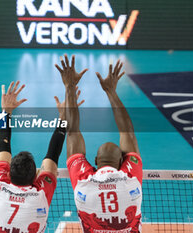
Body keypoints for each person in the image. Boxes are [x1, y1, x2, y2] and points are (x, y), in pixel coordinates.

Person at [56, 55, 142, 233]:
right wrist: (111, 91)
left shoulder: (83, 181)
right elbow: (128, 132)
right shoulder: (130, 178)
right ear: (121, 162)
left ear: (95, 160)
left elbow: (72, 132)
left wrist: (70, 86)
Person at [0, 81, 83, 233]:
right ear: (36, 178)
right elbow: (53, 156)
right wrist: (63, 117)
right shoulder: (40, 196)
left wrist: (6, 111)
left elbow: (2, 146)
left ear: (8, 173)